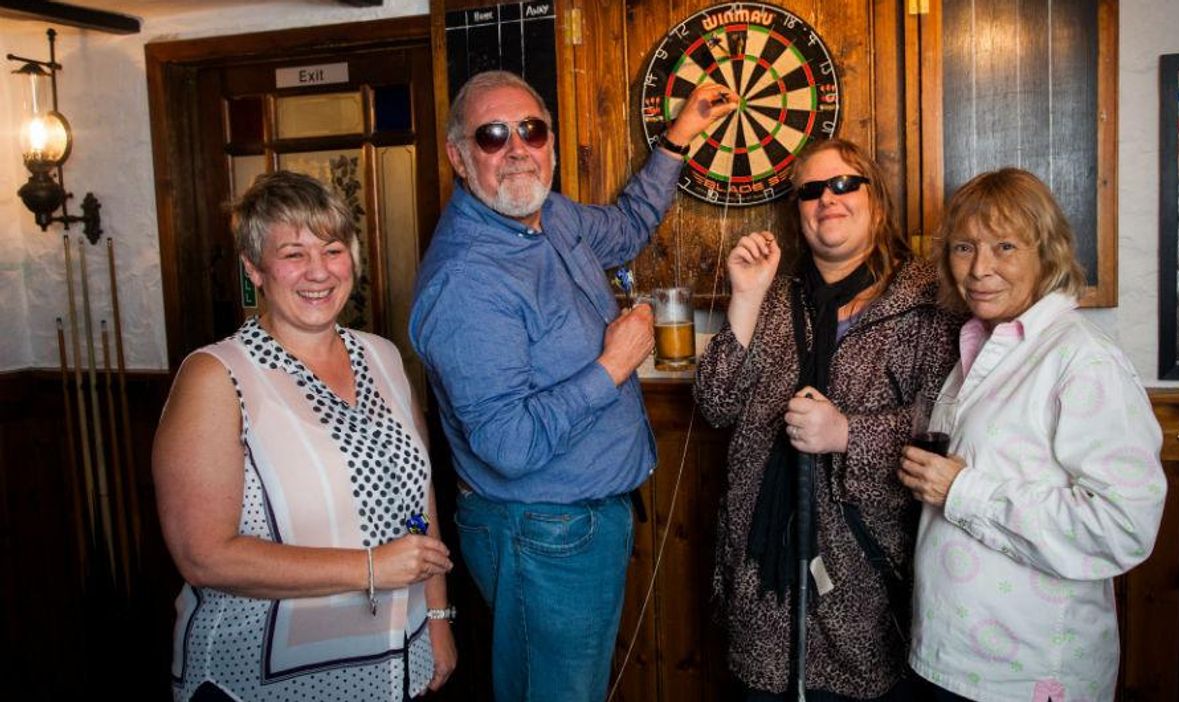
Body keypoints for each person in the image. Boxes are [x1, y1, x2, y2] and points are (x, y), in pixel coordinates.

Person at [407, 70, 737, 701]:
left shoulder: (550, 215)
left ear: (551, 143)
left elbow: (629, 225)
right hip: (540, 534)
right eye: (492, 135)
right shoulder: (466, 280)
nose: (517, 149)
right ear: (457, 155)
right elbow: (507, 444)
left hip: (577, 524)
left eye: (531, 130)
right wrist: (613, 365)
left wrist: (678, 137)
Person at [153, 171, 455, 701]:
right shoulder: (216, 376)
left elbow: (418, 497)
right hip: (261, 680)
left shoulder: (383, 356)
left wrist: (436, 615)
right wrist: (369, 568)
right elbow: (203, 555)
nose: (319, 271)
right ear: (254, 268)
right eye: (293, 254)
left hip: (394, 667)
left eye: (333, 250)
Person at [694, 138, 963, 700]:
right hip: (764, 581)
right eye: (811, 191)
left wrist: (846, 434)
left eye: (844, 184)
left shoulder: (927, 303)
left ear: (876, 200)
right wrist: (744, 298)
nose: (827, 199)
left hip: (865, 582)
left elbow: (945, 426)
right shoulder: (774, 297)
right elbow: (715, 403)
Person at [899, 168, 1167, 702]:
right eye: (964, 247)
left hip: (1028, 674)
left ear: (1047, 253)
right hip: (948, 658)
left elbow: (1123, 526)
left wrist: (963, 490)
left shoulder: (1083, 359)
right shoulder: (980, 346)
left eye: (1005, 246)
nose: (980, 268)